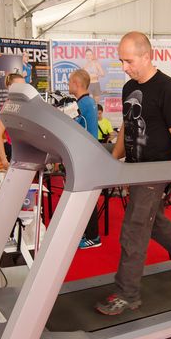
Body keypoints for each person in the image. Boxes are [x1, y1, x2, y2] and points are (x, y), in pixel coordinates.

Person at [95, 31, 171, 316]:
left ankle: (127, 294)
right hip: (135, 169)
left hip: (157, 170)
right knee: (152, 222)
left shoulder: (169, 89)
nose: (124, 67)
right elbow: (126, 128)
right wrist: (112, 160)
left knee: (134, 229)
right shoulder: (129, 88)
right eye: (121, 61)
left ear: (147, 56)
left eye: (129, 61)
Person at [68, 69, 102, 249]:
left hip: (86, 157)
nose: (68, 85)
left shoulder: (84, 103)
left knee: (86, 197)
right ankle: (87, 232)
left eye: (69, 82)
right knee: (83, 196)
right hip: (87, 156)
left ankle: (93, 237)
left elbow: (76, 130)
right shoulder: (86, 102)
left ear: (76, 83)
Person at [0, 73, 25, 170]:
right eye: (19, 86)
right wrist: (4, 161)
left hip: (27, 152)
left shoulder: (26, 104)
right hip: (15, 152)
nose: (23, 89)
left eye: (24, 86)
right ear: (10, 87)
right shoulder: (9, 107)